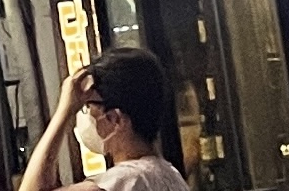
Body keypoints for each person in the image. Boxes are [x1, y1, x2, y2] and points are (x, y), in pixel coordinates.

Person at [19, 53, 183, 191]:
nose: (85, 114)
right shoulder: (172, 176)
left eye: (88, 106)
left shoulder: (124, 181)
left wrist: (64, 112)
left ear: (115, 119)